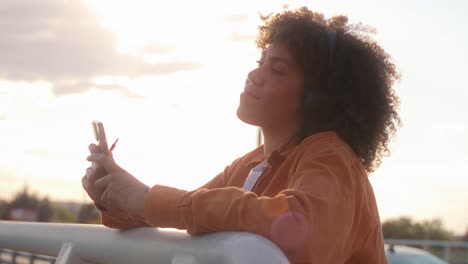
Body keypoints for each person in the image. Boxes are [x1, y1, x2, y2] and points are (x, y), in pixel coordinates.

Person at [82, 7, 400, 263]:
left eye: (277, 69)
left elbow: (303, 233)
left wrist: (148, 198)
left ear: (318, 98)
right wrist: (113, 195)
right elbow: (183, 213)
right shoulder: (248, 165)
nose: (253, 75)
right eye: (260, 61)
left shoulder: (332, 157)